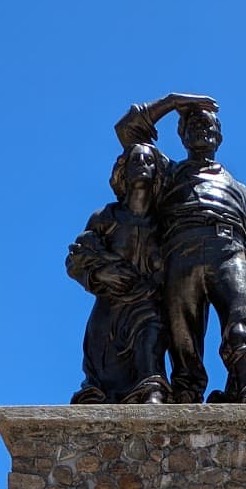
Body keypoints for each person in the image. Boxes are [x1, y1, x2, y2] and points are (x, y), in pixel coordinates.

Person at [114, 93, 246, 404]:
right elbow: (128, 130)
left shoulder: (239, 189)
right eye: (193, 125)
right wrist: (172, 102)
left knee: (239, 328)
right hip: (181, 254)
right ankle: (186, 394)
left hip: (230, 253)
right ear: (182, 136)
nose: (201, 129)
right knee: (182, 339)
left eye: (208, 125)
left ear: (219, 136)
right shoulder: (168, 173)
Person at [65, 142, 170, 404]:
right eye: (136, 160)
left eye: (149, 161)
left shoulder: (165, 224)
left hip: (148, 307)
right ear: (123, 171)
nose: (142, 165)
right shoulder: (105, 217)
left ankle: (153, 393)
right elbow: (75, 261)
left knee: (150, 354)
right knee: (103, 381)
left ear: (158, 173)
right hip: (109, 309)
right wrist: (100, 275)